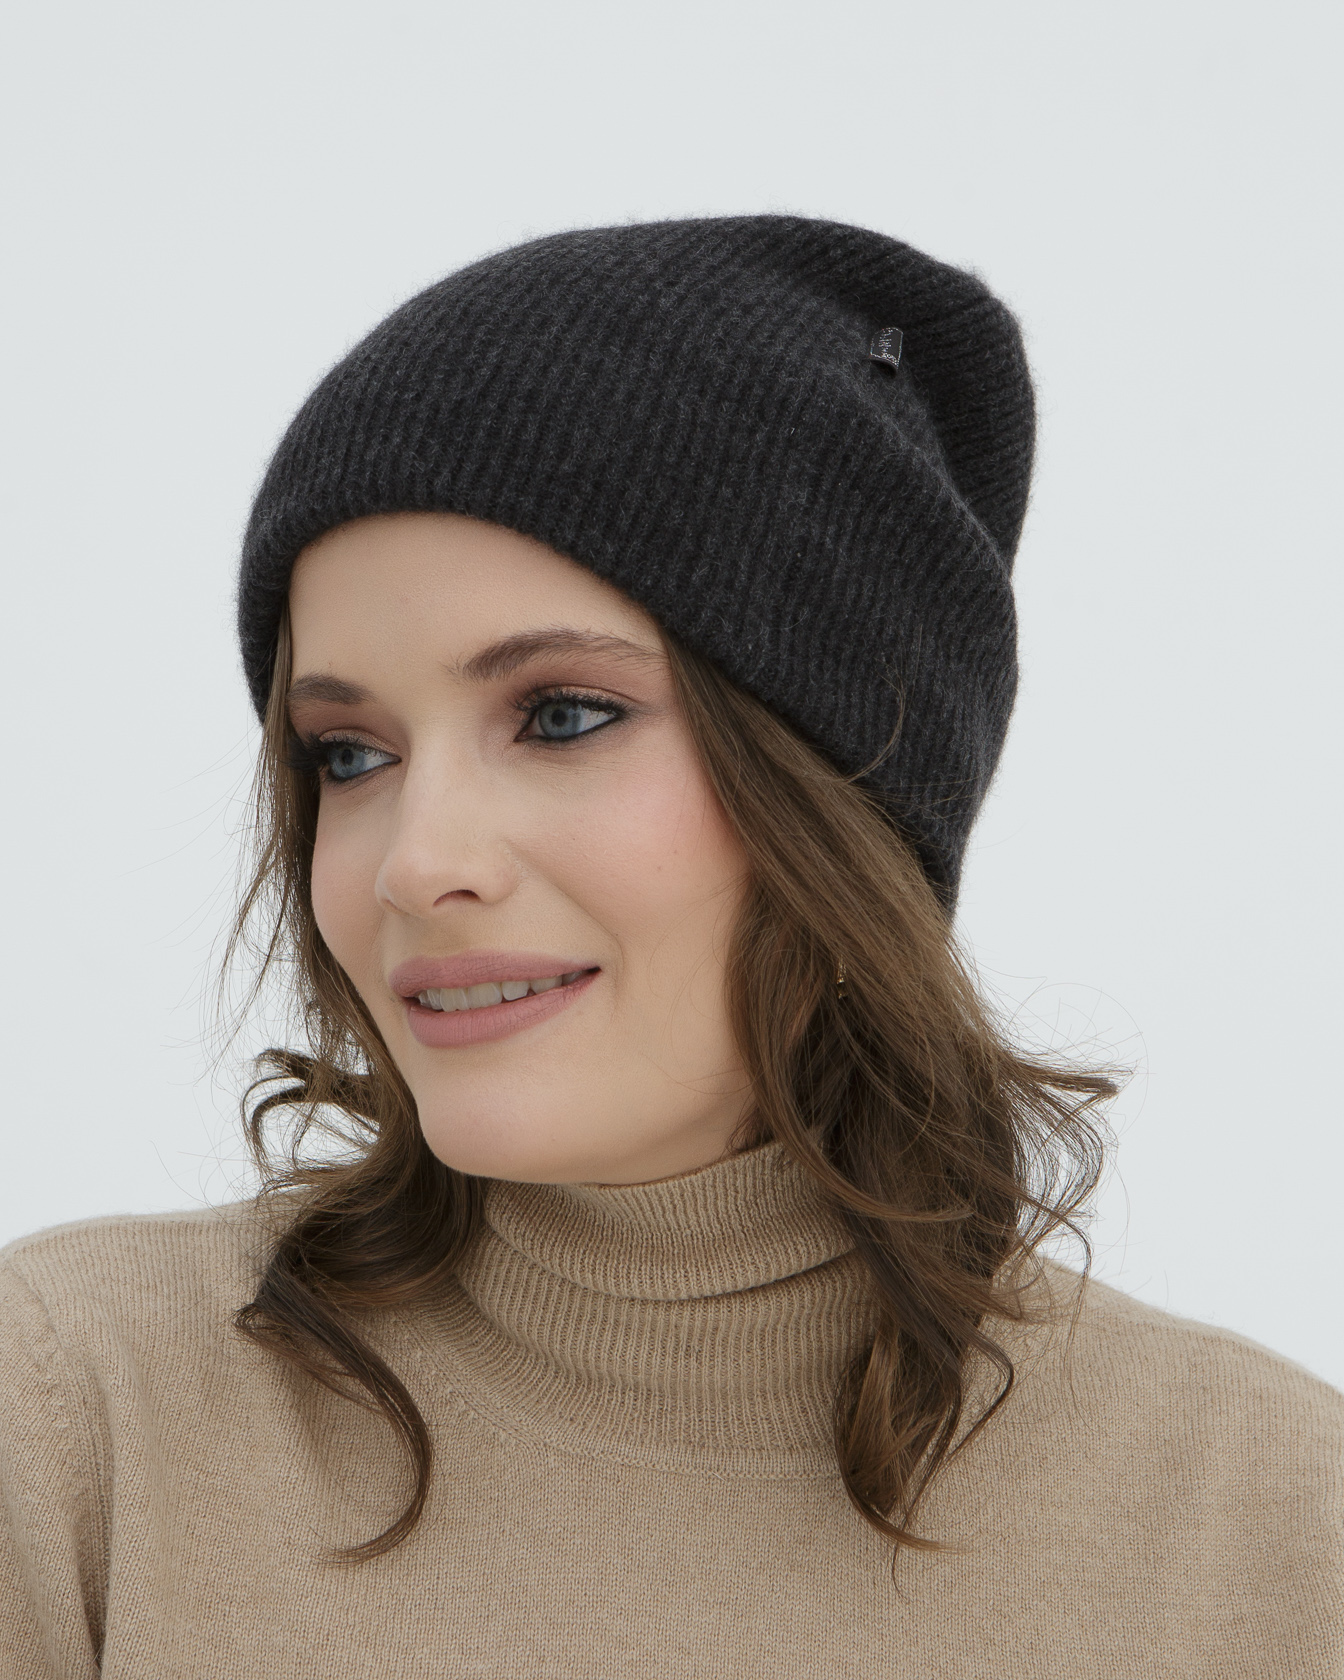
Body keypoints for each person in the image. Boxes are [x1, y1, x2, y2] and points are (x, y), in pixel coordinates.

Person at [1, 214, 1339, 1679]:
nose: (416, 863)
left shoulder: (1272, 1522)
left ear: (845, 793)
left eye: (563, 715)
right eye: (351, 754)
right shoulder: (72, 1415)